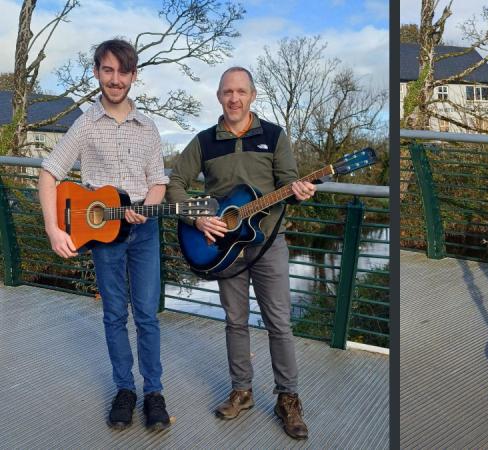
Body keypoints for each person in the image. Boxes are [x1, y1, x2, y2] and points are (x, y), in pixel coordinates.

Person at [165, 66, 315, 440]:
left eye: (241, 91)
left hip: (267, 245)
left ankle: (288, 400)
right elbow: (175, 184)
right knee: (235, 322)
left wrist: (298, 190)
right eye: (227, 92)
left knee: (279, 323)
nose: (234, 98)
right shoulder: (203, 141)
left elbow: (287, 182)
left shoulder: (274, 136)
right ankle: (242, 391)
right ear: (219, 96)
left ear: (252, 95)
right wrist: (199, 219)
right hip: (223, 249)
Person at [38, 39, 171, 431]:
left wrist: (146, 207)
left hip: (143, 235)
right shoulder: (84, 124)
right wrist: (52, 227)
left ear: (134, 76)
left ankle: (155, 393)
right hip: (100, 234)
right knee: (115, 315)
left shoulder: (148, 128)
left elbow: (159, 182)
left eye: (123, 71)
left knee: (147, 315)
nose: (116, 79)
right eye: (108, 70)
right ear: (97, 72)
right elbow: (49, 174)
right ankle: (125, 390)